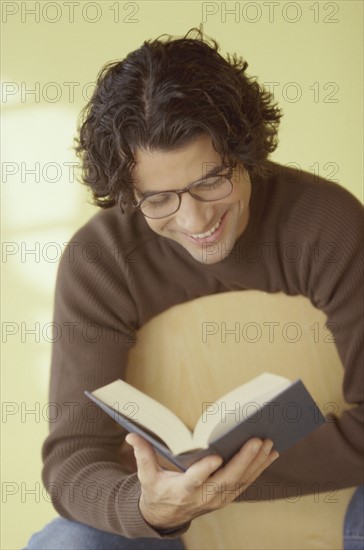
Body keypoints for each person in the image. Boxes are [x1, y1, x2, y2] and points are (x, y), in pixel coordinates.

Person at [25, 28, 363, 550]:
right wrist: (149, 505)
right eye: (158, 199)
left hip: (345, 505)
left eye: (210, 181)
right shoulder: (101, 258)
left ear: (245, 151)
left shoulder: (327, 226)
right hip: (170, 522)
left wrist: (217, 479)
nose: (196, 218)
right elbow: (73, 464)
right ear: (127, 193)